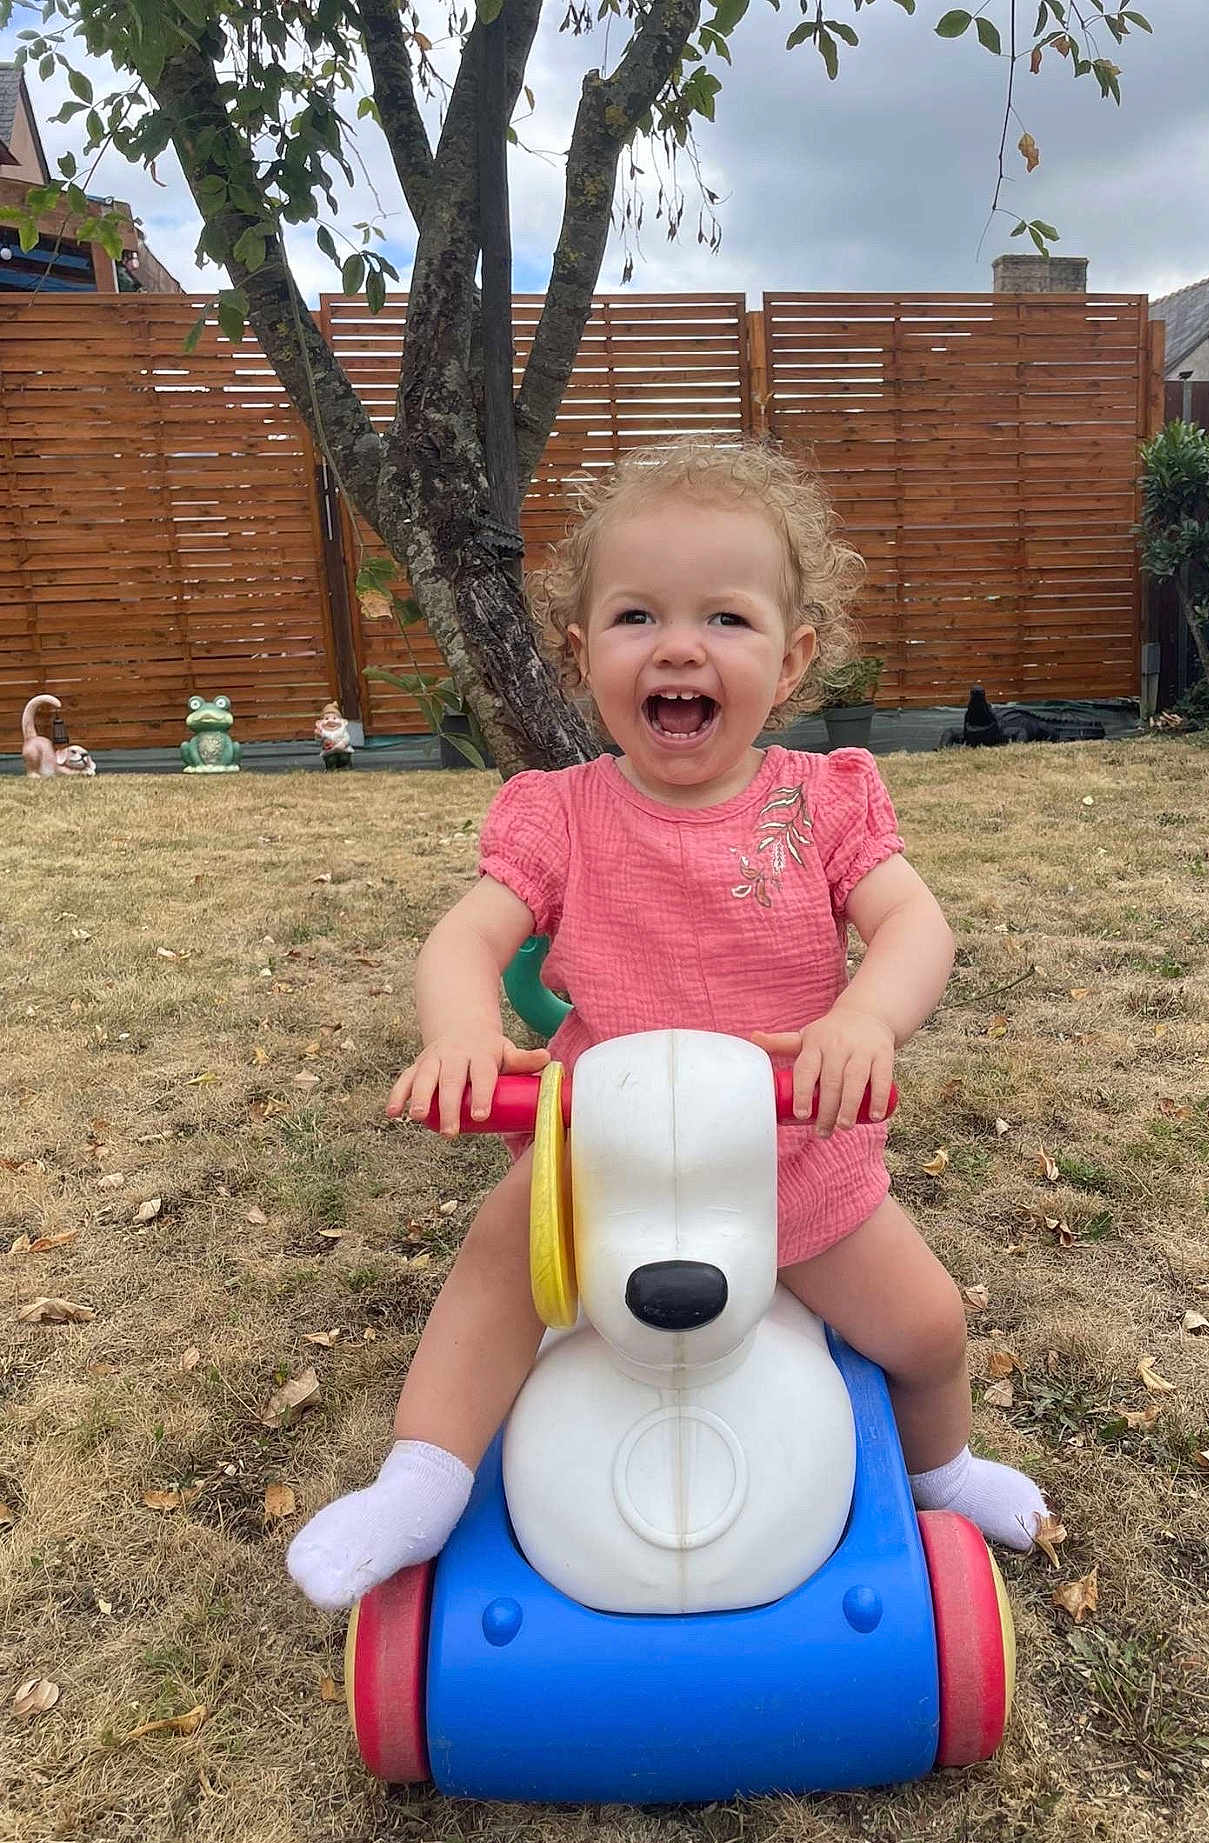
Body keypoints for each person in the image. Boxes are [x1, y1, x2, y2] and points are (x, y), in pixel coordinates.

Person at [287, 439, 1050, 1610]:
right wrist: (459, 1034)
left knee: (929, 1325)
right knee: (495, 1269)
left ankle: (943, 1469)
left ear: (790, 661)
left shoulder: (825, 800)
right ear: (584, 655)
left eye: (727, 620)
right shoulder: (561, 814)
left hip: (793, 1158)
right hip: (603, 1160)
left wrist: (865, 1020)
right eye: (639, 616)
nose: (681, 646)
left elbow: (916, 929)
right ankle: (420, 1481)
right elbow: (466, 938)